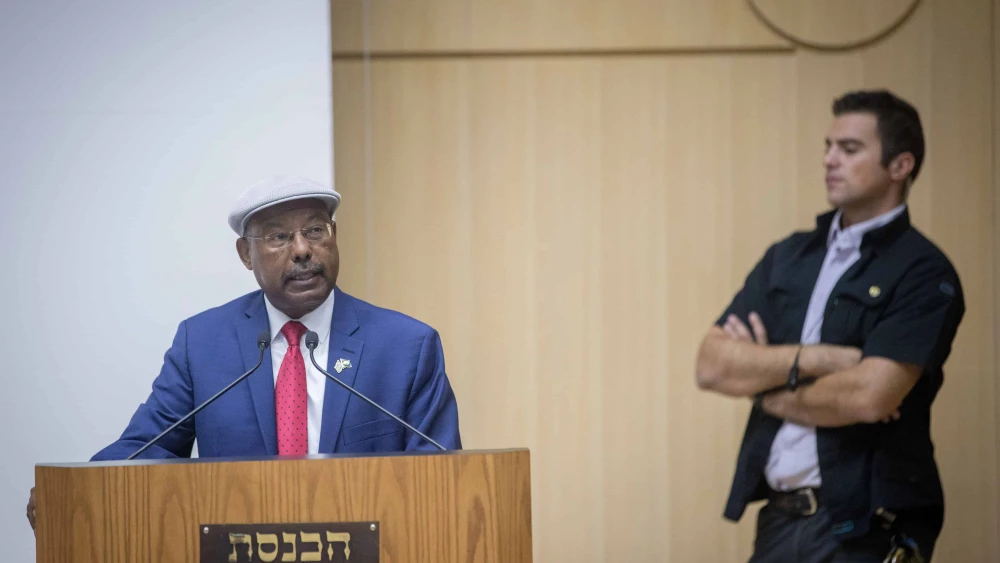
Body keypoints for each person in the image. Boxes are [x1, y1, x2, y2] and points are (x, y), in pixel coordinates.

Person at [27, 175, 462, 531]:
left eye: (315, 230)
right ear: (246, 254)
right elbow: (148, 446)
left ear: (334, 236)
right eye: (278, 237)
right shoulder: (202, 344)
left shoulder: (406, 346)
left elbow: (440, 479)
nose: (302, 249)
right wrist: (72, 490)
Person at [695, 90, 964, 562]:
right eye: (828, 146)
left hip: (864, 528)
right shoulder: (788, 256)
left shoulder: (923, 271)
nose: (829, 160)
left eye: (849, 148)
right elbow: (712, 366)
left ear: (900, 165)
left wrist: (766, 390)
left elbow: (868, 397)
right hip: (779, 521)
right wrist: (819, 359)